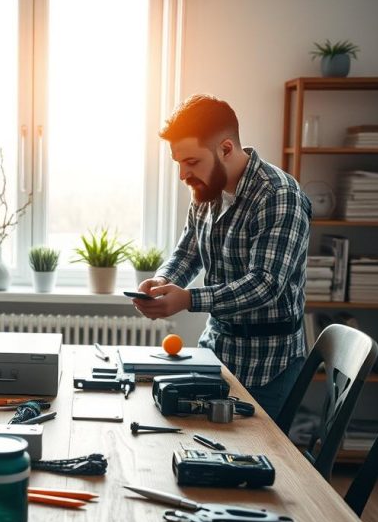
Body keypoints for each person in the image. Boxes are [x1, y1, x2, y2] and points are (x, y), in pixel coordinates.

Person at [133, 94, 311, 421]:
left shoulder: (279, 195)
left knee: (256, 459)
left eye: (192, 162)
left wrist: (188, 299)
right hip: (216, 350)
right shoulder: (206, 190)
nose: (184, 175)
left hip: (268, 365)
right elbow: (188, 252)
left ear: (226, 149)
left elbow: (265, 285)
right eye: (179, 164)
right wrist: (162, 281)